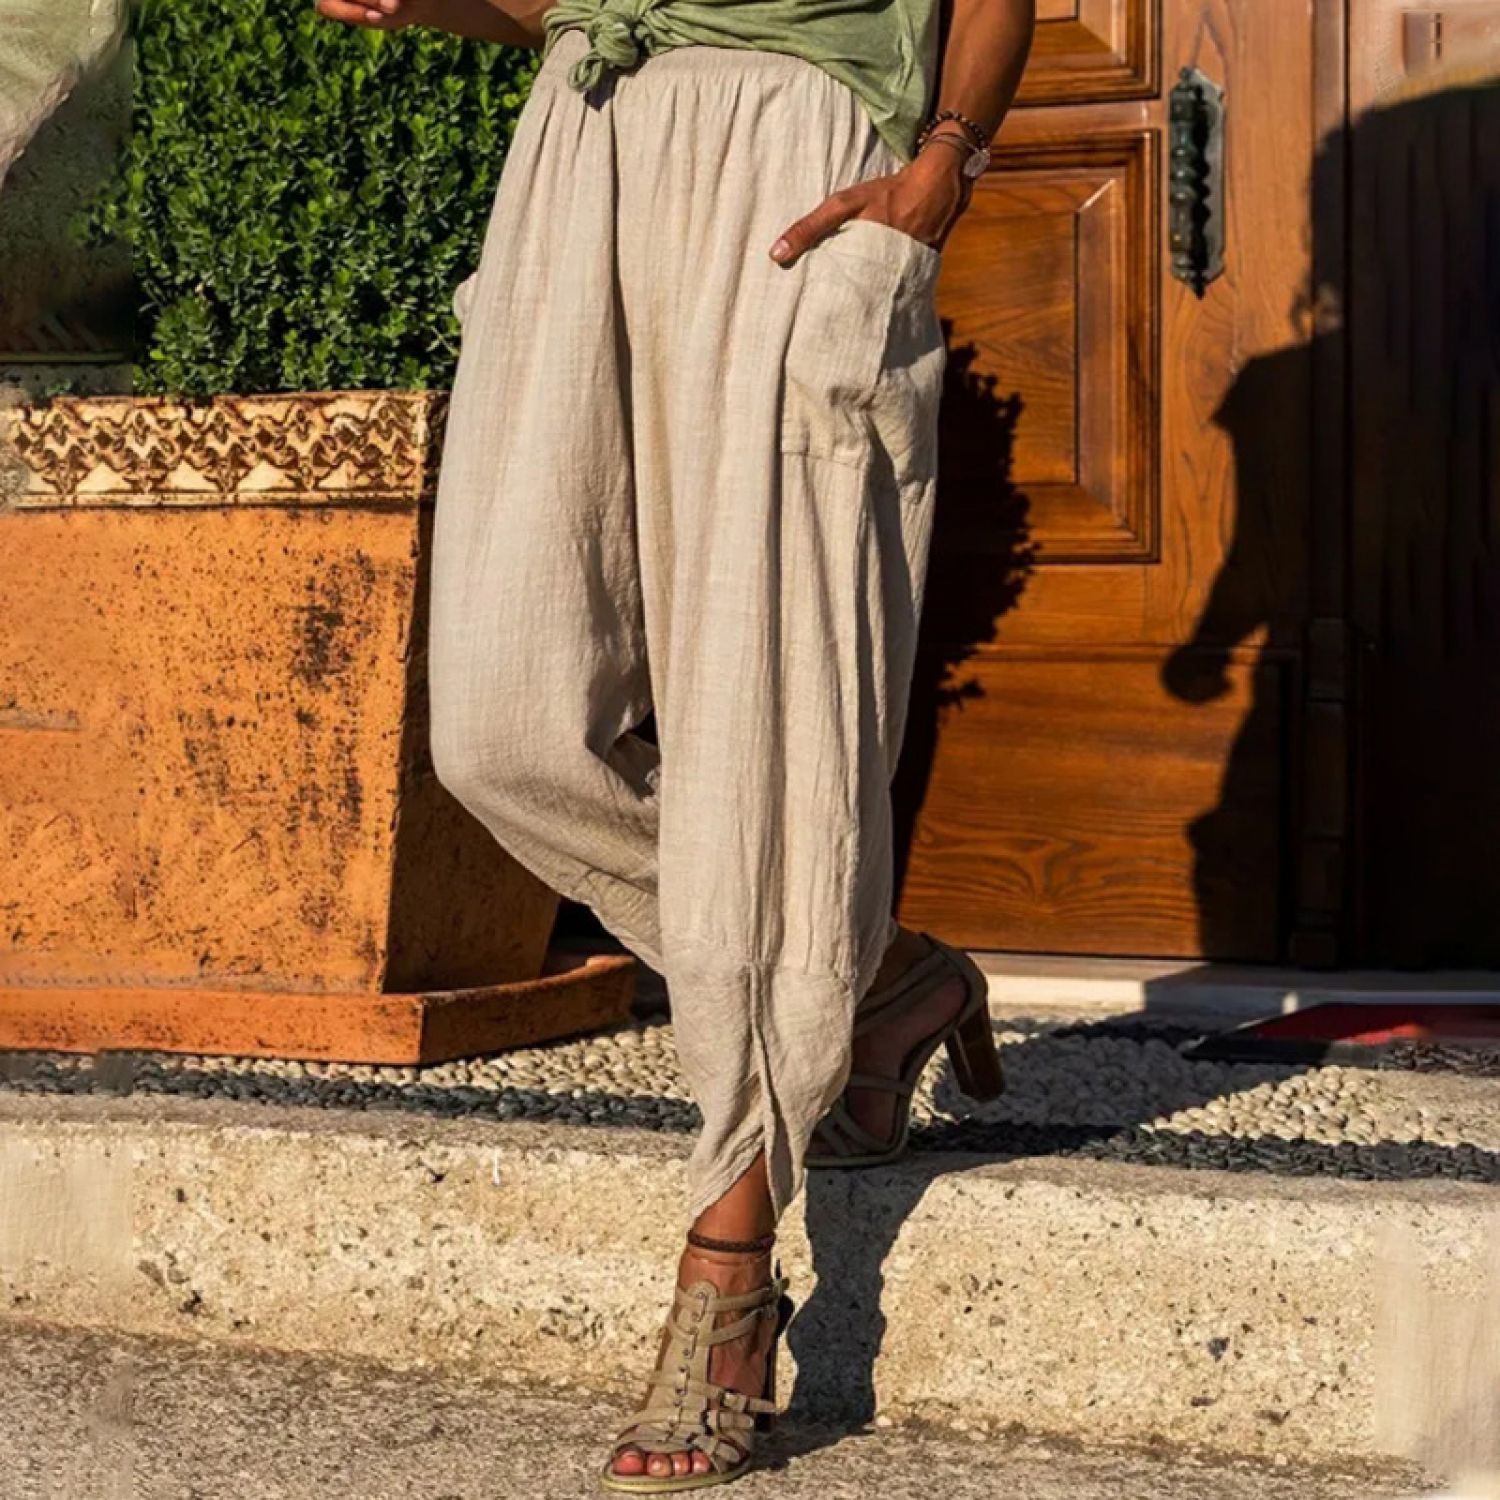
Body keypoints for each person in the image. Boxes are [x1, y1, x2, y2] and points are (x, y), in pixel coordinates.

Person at [318, 0, 1033, 1487]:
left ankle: (730, 1269)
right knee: (503, 729)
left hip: (792, 156)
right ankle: (875, 976)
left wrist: (944, 163)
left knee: (769, 719)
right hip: (581, 145)